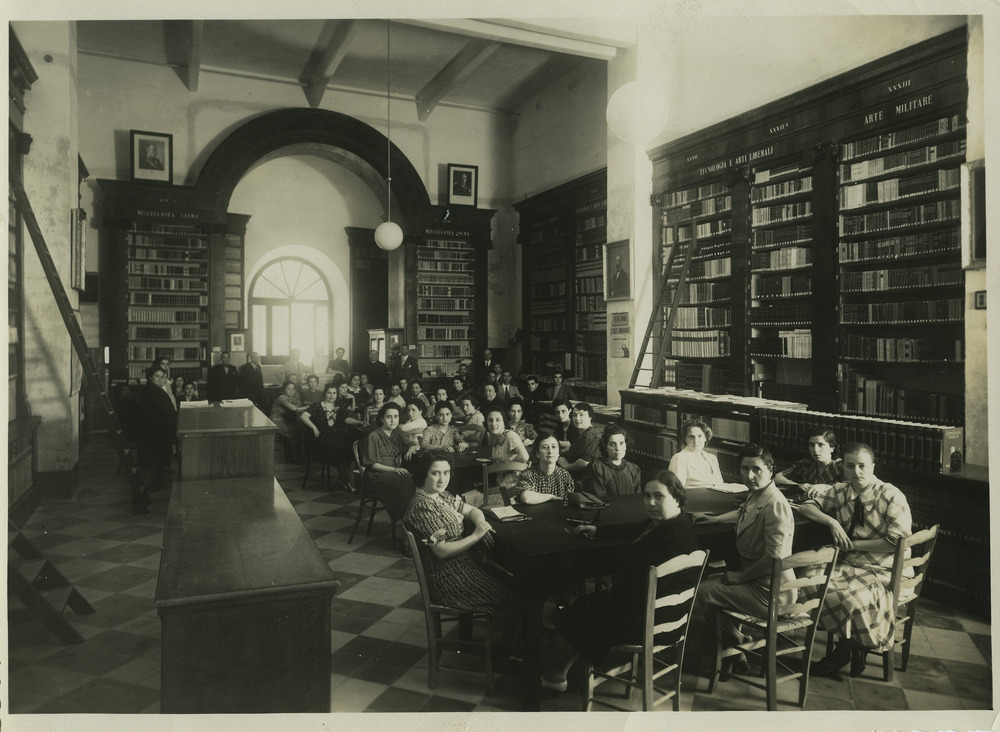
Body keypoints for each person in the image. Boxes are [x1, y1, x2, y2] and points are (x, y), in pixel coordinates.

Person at [541, 470, 699, 691]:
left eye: (659, 496)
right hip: (666, 616)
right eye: (646, 496)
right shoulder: (677, 523)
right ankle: (559, 671)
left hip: (644, 621)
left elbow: (631, 580)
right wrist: (597, 530)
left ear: (677, 497)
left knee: (580, 608)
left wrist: (607, 588)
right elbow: (638, 528)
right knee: (587, 607)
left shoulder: (669, 536)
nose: (651, 502)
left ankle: (553, 673)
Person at [798, 443, 913, 681]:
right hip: (851, 563)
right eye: (850, 466)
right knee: (809, 581)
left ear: (872, 466)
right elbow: (807, 506)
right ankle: (856, 643)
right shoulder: (840, 490)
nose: (857, 472)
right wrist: (833, 523)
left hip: (887, 568)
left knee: (855, 598)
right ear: (844, 469)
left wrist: (852, 545)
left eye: (862, 466)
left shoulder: (891, 495)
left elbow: (895, 542)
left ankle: (846, 650)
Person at [693, 445, 795, 676]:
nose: (749, 475)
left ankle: (730, 649)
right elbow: (744, 512)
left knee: (701, 592)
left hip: (771, 591)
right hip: (761, 583)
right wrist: (714, 520)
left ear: (770, 470)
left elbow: (774, 557)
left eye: (756, 469)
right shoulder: (759, 494)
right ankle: (737, 649)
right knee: (713, 601)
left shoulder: (776, 504)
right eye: (745, 468)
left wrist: (740, 577)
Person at [403, 451, 521, 645]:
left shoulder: (440, 496)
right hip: (446, 578)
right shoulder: (423, 506)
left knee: (517, 587)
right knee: (510, 598)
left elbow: (472, 510)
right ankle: (511, 650)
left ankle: (514, 645)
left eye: (447, 473)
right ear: (423, 474)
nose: (442, 479)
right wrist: (476, 536)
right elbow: (441, 551)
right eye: (436, 473)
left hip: (464, 567)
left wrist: (482, 525)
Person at [362, 403, 418, 526]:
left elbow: (412, 445)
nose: (393, 420)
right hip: (376, 475)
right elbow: (372, 465)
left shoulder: (397, 433)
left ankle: (411, 518)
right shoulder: (373, 436)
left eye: (396, 416)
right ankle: (406, 519)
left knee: (412, 478)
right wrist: (393, 469)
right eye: (389, 417)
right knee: (406, 479)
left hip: (392, 474)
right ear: (382, 418)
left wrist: (410, 449)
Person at [300, 383, 364, 490]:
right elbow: (303, 416)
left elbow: (346, 419)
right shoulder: (316, 406)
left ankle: (351, 482)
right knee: (342, 448)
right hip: (322, 440)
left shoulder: (338, 407)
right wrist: (314, 428)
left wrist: (358, 422)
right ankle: (344, 480)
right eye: (329, 393)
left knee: (353, 448)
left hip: (337, 438)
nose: (332, 395)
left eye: (334, 393)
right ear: (324, 394)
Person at [135, 365, 177, 514]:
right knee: (149, 464)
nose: (161, 379)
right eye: (158, 377)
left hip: (157, 431)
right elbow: (166, 409)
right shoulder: (151, 391)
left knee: (153, 463)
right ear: (150, 377)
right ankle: (142, 492)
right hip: (152, 433)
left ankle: (146, 489)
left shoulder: (156, 389)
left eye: (163, 377)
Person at [774, 428, 845, 499]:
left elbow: (850, 487)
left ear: (832, 447)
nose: (815, 450)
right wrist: (798, 485)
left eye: (820, 445)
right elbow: (776, 477)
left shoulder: (840, 466)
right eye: (812, 445)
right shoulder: (806, 465)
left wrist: (825, 487)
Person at [510, 432, 574, 505]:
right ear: (537, 453)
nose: (550, 451)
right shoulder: (528, 474)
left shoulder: (564, 475)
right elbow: (526, 498)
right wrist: (551, 497)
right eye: (545, 447)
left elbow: (568, 504)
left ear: (558, 453)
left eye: (554, 447)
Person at [583, 424, 641, 497]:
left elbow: (637, 499)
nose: (618, 449)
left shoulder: (633, 469)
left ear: (626, 445)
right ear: (605, 446)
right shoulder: (596, 468)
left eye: (621, 443)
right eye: (612, 444)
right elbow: (601, 499)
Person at [668, 419, 723, 489]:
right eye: (691, 437)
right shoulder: (679, 458)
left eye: (700, 436)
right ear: (685, 438)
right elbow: (677, 489)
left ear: (705, 438)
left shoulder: (712, 458)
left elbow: (720, 484)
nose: (696, 441)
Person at [557, 402, 601, 477]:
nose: (577, 418)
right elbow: (573, 448)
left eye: (581, 415)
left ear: (590, 417)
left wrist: (567, 466)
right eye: (574, 415)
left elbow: (585, 462)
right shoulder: (583, 433)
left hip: (583, 477)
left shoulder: (591, 435)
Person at [270, 380, 307, 461]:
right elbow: (294, 408)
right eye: (288, 388)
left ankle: (297, 456)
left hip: (285, 420)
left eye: (293, 389)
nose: (291, 391)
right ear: (283, 390)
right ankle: (295, 458)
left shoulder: (290, 398)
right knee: (296, 431)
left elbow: (299, 404)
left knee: (300, 429)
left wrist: (299, 406)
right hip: (277, 421)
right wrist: (308, 407)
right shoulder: (282, 398)